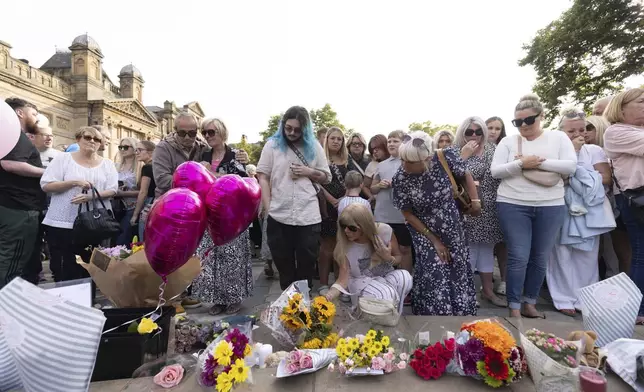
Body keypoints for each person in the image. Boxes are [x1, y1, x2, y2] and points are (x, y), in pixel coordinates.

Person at [491, 94, 577, 318]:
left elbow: (570, 166)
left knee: (540, 256)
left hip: (551, 204)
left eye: (528, 120)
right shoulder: (508, 142)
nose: (523, 126)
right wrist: (521, 163)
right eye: (517, 122)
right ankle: (514, 307)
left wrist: (536, 162)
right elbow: (495, 171)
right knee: (519, 255)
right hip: (513, 203)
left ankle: (530, 303)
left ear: (542, 116)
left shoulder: (558, 137)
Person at [393, 131, 480, 315]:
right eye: (402, 159)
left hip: (454, 229)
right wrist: (434, 239)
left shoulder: (443, 157)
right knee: (435, 271)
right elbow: (407, 214)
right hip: (424, 232)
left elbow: (465, 175)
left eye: (410, 162)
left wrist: (475, 201)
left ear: (426, 158)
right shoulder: (400, 178)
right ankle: (434, 317)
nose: (404, 165)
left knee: (457, 268)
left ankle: (460, 314)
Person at [547, 107, 613, 316]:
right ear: (561, 132)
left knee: (588, 254)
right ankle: (562, 297)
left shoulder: (594, 151)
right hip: (561, 204)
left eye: (581, 130)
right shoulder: (553, 150)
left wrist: (577, 176)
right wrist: (575, 159)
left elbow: (605, 178)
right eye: (571, 131)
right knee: (561, 252)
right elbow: (554, 176)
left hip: (589, 208)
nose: (578, 135)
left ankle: (584, 298)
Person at [256, 106, 331, 291]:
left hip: (308, 216)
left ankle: (303, 309)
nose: (291, 132)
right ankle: (288, 308)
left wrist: (309, 171)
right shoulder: (272, 145)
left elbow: (327, 177)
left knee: (306, 267)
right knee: (284, 267)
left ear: (305, 129)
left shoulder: (314, 146)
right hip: (278, 215)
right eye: (288, 128)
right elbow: (262, 176)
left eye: (297, 130)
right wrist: (268, 207)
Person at [192, 117, 253, 315]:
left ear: (222, 132)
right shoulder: (202, 154)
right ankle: (217, 300)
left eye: (212, 132)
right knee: (211, 258)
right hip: (209, 216)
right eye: (205, 132)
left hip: (232, 217)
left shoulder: (236, 155)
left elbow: (243, 184)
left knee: (232, 258)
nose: (208, 136)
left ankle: (234, 298)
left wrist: (211, 175)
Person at [41, 126, 118, 282]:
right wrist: (74, 182)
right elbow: (46, 185)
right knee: (64, 266)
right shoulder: (63, 159)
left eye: (97, 139)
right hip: (62, 222)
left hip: (95, 224)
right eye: (87, 137)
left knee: (91, 265)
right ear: (78, 139)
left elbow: (113, 190)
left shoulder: (107, 164)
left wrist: (91, 197)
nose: (92, 141)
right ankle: (65, 300)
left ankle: (89, 300)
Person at [324, 204, 412, 314]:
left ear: (364, 225)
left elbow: (399, 257)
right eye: (343, 226)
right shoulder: (344, 245)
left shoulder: (384, 231)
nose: (346, 230)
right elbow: (342, 280)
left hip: (384, 276)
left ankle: (394, 316)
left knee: (405, 277)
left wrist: (388, 258)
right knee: (384, 293)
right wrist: (329, 295)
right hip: (361, 281)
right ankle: (375, 315)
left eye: (352, 228)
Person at [603, 88, 644, 324]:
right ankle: (639, 308)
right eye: (640, 102)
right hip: (636, 199)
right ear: (622, 107)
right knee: (641, 252)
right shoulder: (616, 132)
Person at [455, 116, 506, 307]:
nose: (474, 135)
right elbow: (450, 174)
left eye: (479, 131)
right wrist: (464, 156)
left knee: (486, 250)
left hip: (491, 205)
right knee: (468, 251)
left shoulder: (494, 149)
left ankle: (488, 291)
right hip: (467, 207)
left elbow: (500, 174)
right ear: (463, 133)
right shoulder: (456, 150)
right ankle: (468, 292)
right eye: (470, 131)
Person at [0, 98, 46, 289]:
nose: (37, 119)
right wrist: (48, 173)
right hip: (19, 208)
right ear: (19, 113)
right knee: (12, 261)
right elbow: (10, 164)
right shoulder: (15, 135)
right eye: (34, 113)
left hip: (13, 206)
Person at [370, 130, 413, 274]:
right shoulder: (381, 165)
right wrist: (380, 185)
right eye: (389, 141)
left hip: (403, 216)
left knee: (404, 249)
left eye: (395, 141)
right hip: (382, 216)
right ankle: (383, 282)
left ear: (404, 143)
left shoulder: (411, 162)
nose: (391, 144)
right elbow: (373, 189)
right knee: (382, 248)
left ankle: (406, 283)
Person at [318, 127, 350, 295]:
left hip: (344, 206)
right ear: (327, 140)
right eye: (333, 138)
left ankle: (339, 283)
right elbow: (317, 183)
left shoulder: (347, 160)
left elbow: (352, 181)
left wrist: (344, 198)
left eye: (339, 139)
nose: (336, 141)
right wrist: (331, 199)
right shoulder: (320, 159)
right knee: (326, 246)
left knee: (341, 245)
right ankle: (323, 283)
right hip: (326, 206)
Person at [153, 111, 210, 198]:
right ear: (175, 130)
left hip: (195, 202)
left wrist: (237, 155)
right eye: (182, 133)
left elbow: (220, 151)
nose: (187, 137)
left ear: (196, 131)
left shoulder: (203, 147)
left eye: (192, 133)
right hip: (168, 201)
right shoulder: (163, 148)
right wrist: (194, 179)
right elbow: (162, 180)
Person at [486, 116, 508, 295]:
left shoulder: (506, 147)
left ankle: (505, 280)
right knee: (485, 244)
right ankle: (486, 280)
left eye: (497, 128)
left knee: (502, 243)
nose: (493, 131)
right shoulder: (476, 148)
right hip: (480, 201)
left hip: (502, 197)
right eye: (490, 127)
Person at [113, 137, 142, 246]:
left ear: (134, 149)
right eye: (120, 147)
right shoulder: (116, 166)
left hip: (132, 208)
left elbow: (144, 192)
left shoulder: (140, 167)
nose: (122, 150)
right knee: (114, 238)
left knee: (123, 239)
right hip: (116, 207)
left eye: (126, 147)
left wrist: (124, 193)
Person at [130, 140, 156, 241]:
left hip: (149, 203)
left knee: (143, 238)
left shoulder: (147, 167)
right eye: (136, 150)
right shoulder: (157, 165)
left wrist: (135, 215)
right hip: (158, 202)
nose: (137, 153)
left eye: (140, 150)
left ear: (150, 152)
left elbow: (143, 192)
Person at [363, 134, 390, 203]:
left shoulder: (396, 161)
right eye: (372, 149)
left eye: (377, 148)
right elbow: (365, 186)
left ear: (384, 146)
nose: (374, 151)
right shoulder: (372, 165)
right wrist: (373, 198)